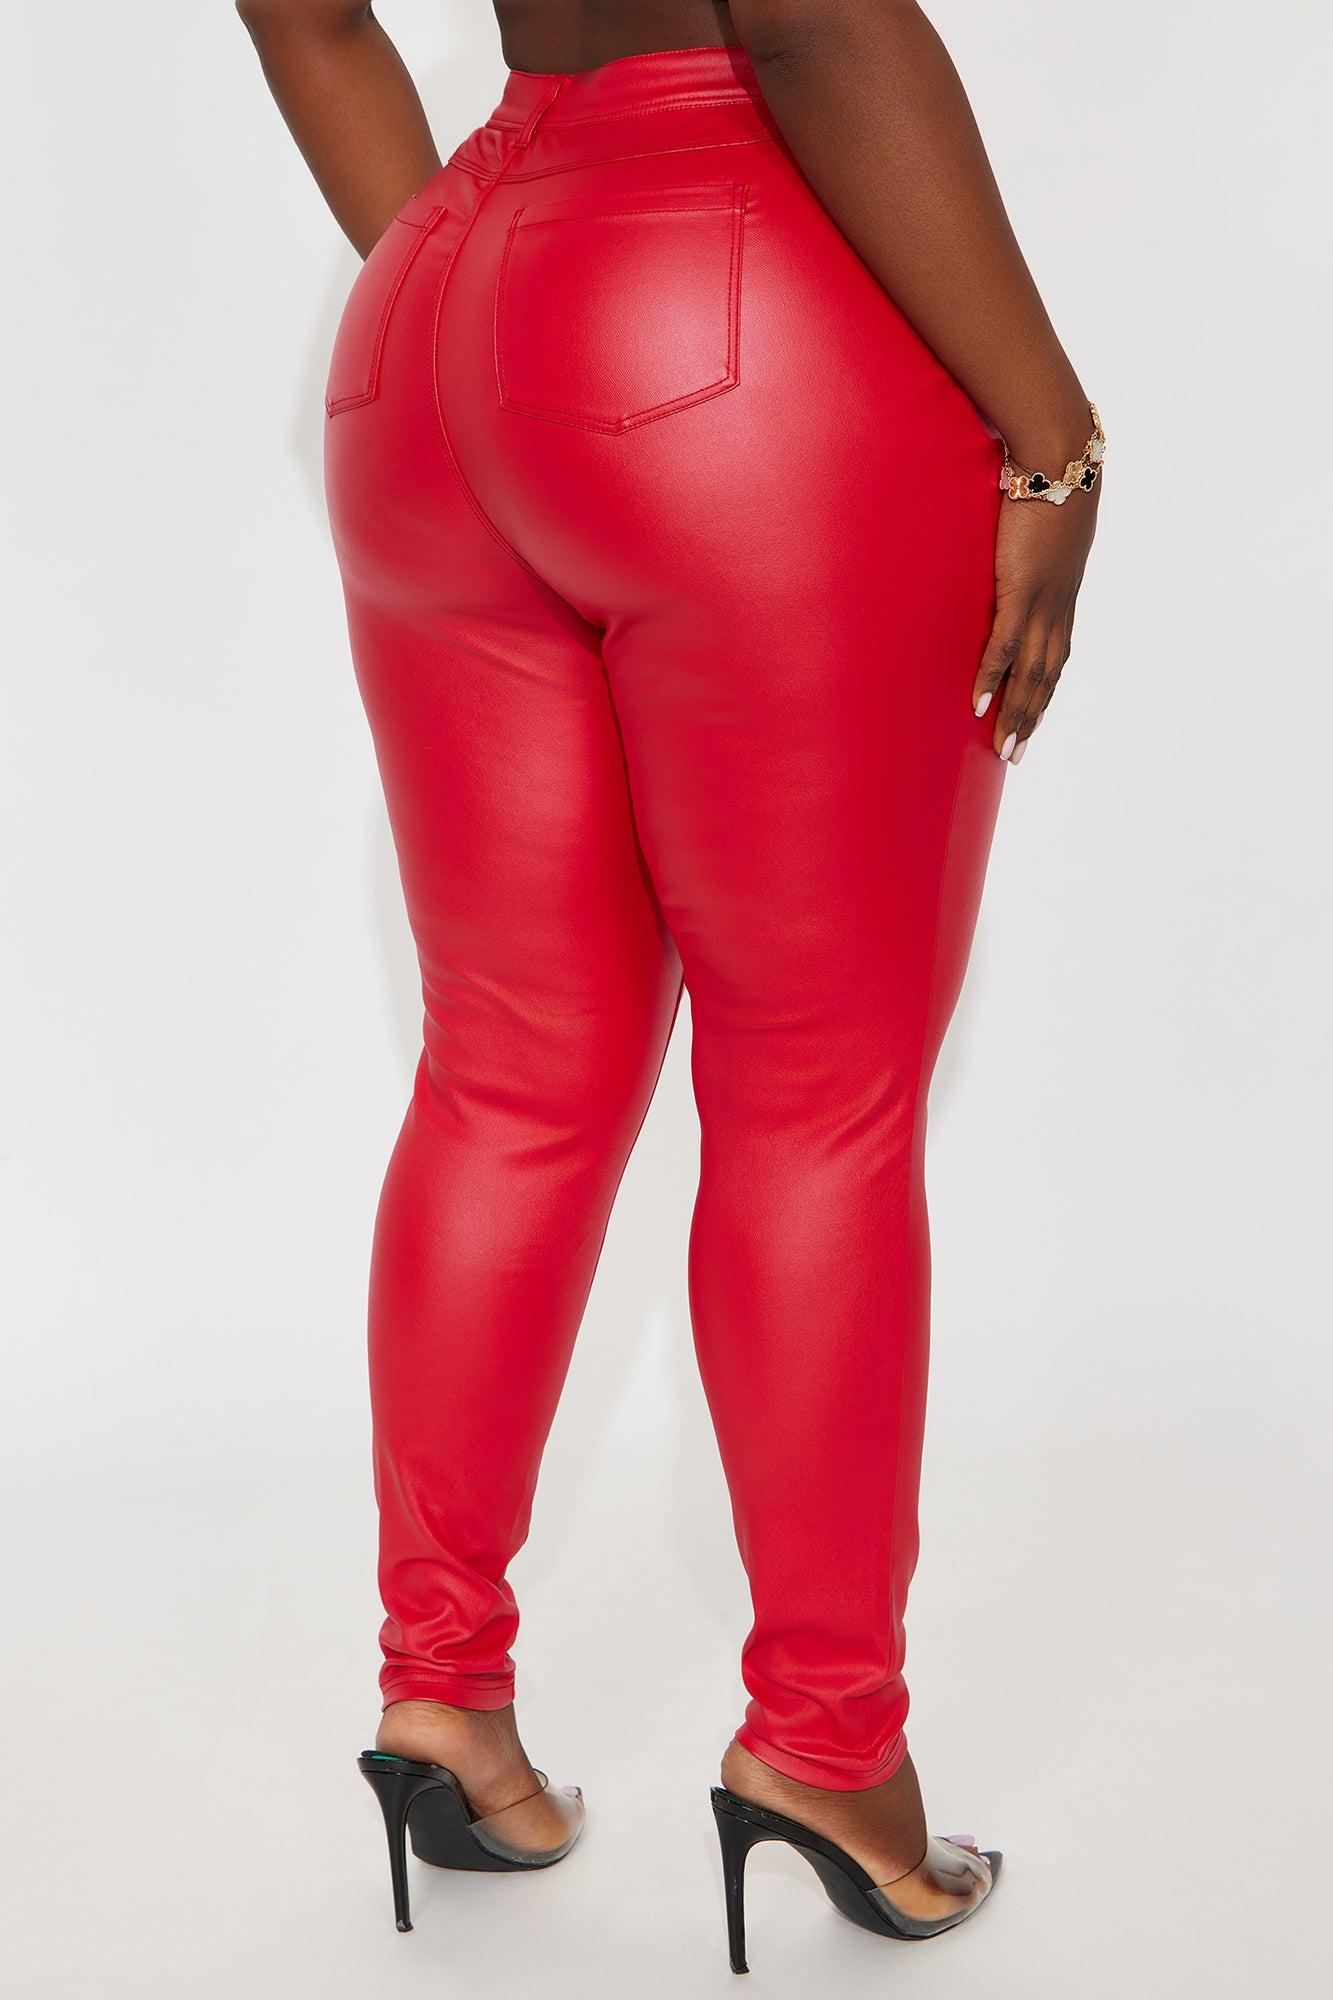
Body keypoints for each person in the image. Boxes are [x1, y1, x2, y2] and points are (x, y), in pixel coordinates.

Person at [238, 0, 1101, 1963]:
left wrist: (494, 293)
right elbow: (802, 19)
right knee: (816, 1092)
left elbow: (300, 12)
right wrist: (1054, 447)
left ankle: (441, 1697)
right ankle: (827, 1747)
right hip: (731, 316)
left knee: (505, 1077)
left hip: (434, 334)